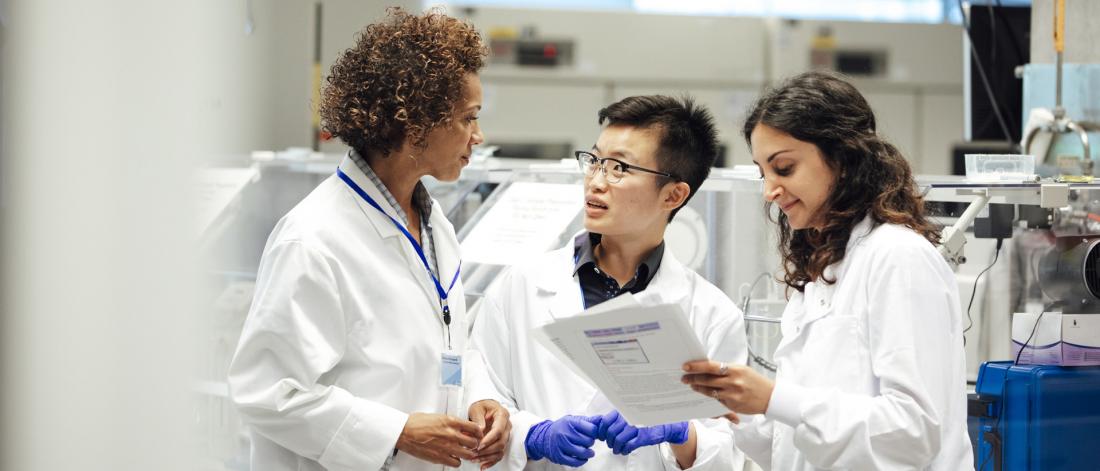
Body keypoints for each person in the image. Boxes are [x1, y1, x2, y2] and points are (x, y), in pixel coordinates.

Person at [228, 8, 510, 471]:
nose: (478, 136)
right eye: (468, 118)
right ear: (415, 121)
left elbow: (448, 341)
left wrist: (480, 398)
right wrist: (395, 431)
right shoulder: (315, 238)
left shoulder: (435, 225)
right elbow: (266, 393)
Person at [681, 71, 974, 470]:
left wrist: (773, 398)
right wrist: (726, 412)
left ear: (843, 159)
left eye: (783, 168)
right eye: (762, 172)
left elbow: (914, 431)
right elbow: (796, 444)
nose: (769, 191)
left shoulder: (898, 257)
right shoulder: (821, 271)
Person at [464, 95, 747, 470]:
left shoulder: (712, 314)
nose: (596, 181)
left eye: (619, 168)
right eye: (595, 161)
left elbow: (730, 453)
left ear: (674, 194)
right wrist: (532, 435)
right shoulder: (520, 286)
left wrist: (681, 433)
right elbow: (479, 397)